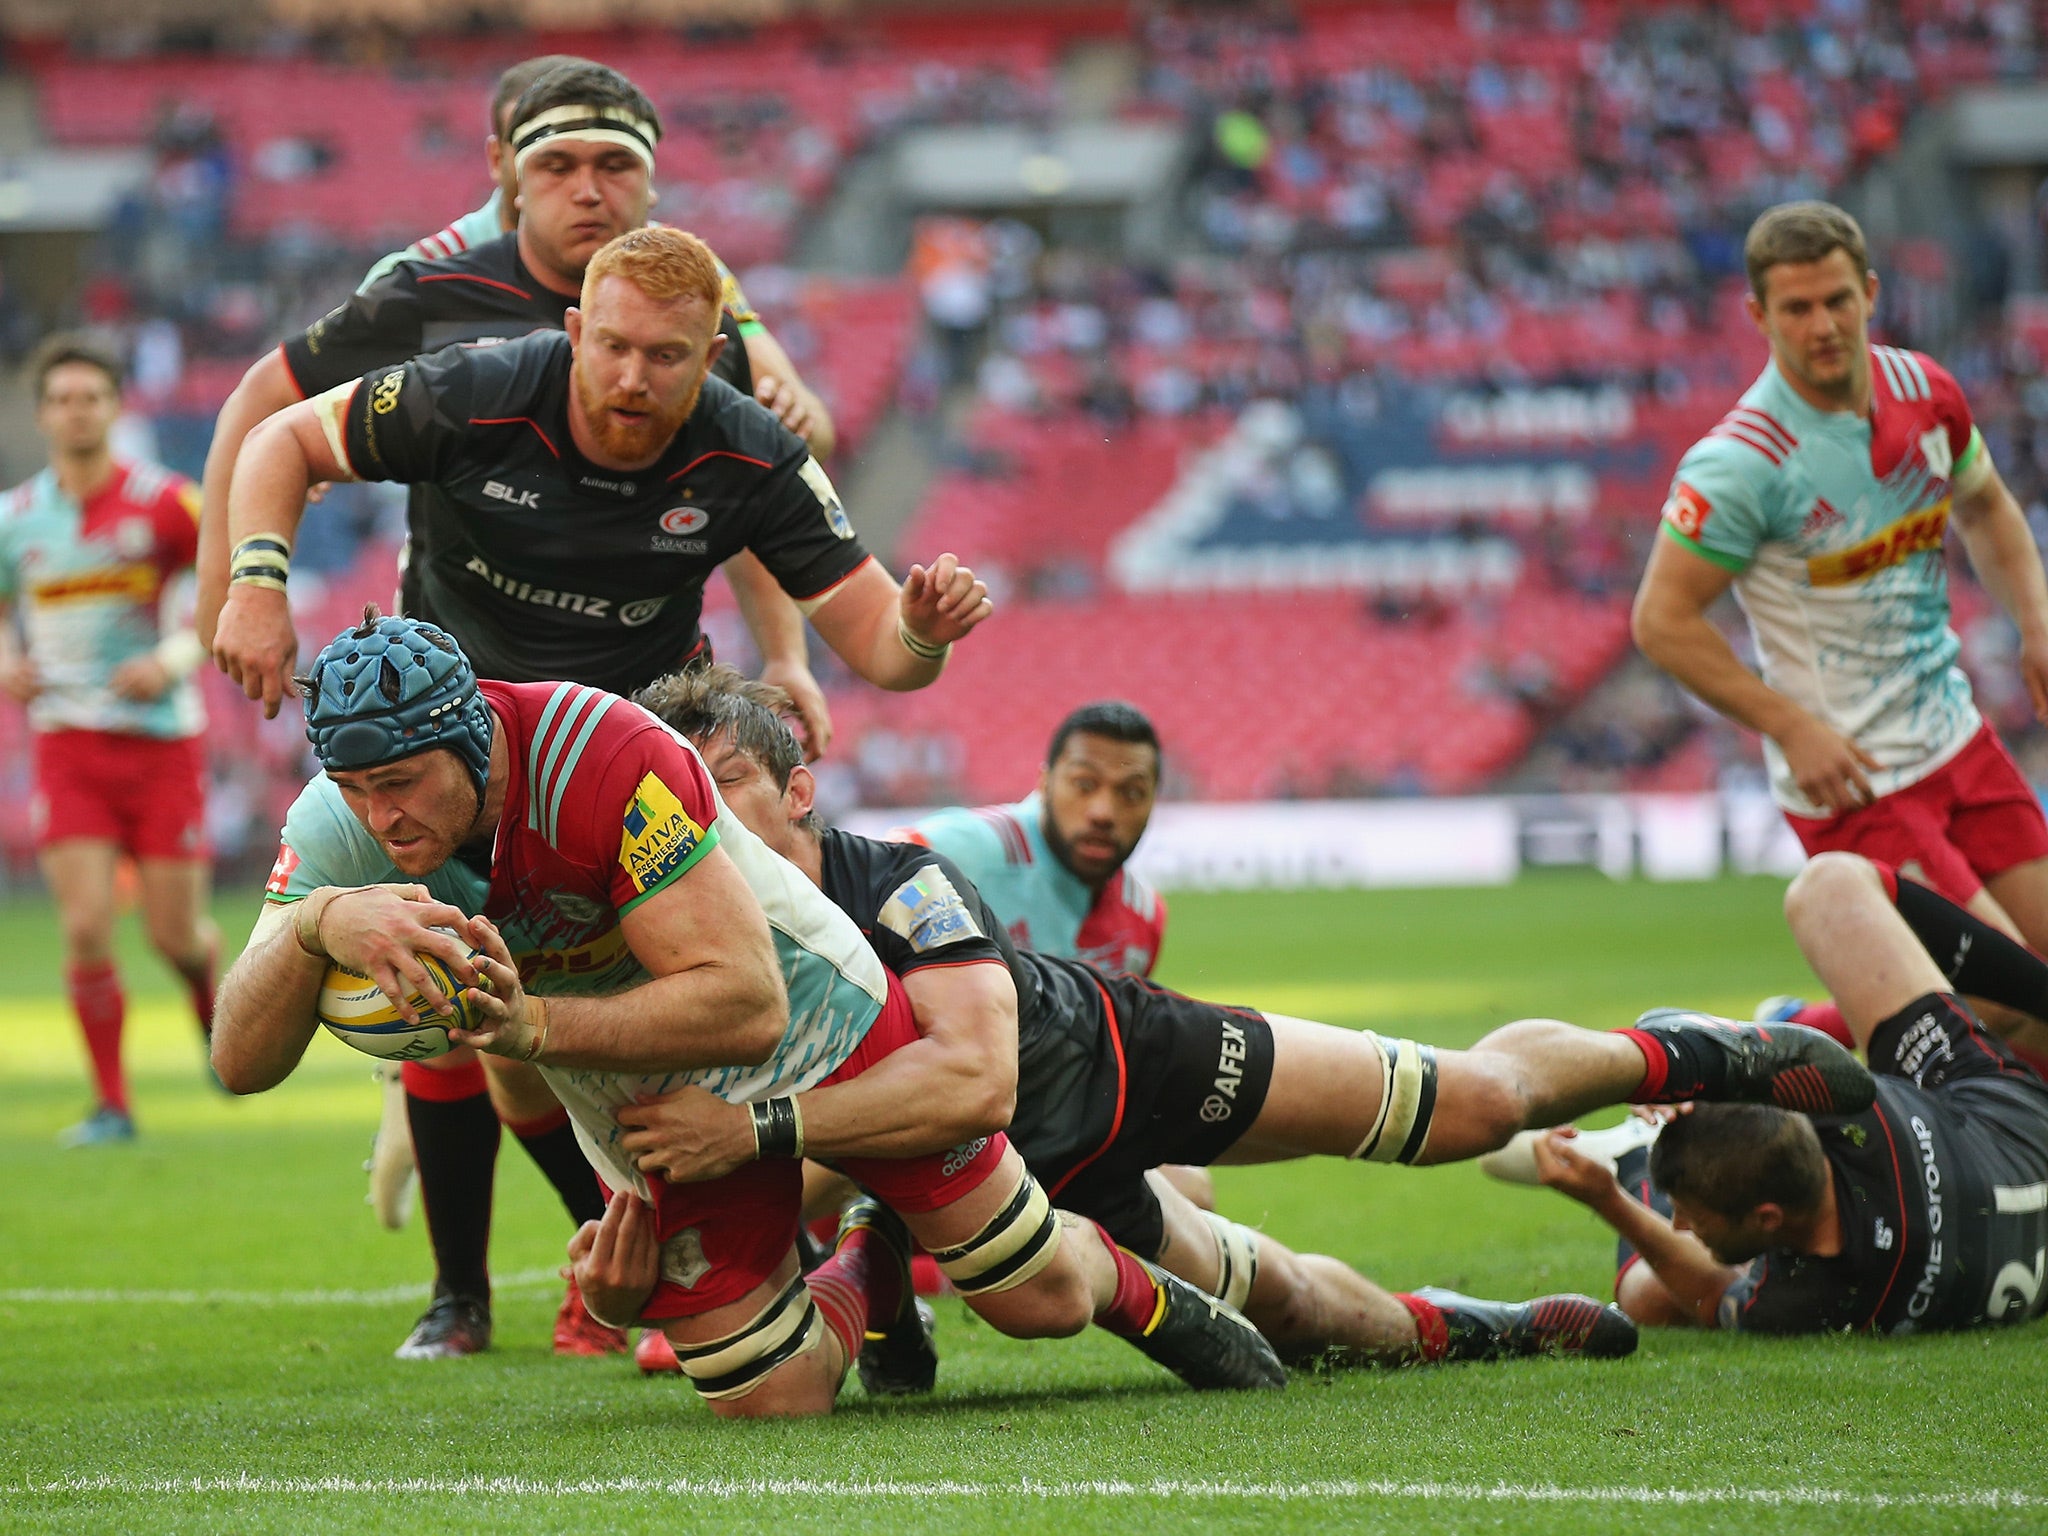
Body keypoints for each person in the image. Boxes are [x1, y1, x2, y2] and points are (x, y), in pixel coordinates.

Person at [624, 668, 1886, 1367]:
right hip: (1024, 1193)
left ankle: (1688, 1050)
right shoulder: (687, 950)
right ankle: (1475, 1331)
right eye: (681, 803)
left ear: (798, 787)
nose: (708, 829)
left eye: (722, 787)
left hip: (1121, 1059)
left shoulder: (902, 874)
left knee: (1469, 1110)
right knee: (1298, 1309)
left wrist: (782, 1172)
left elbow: (967, 1085)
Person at [221, 222, 987, 1360]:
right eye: (613, 347)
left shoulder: (747, 450)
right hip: (447, 757)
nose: (634, 376)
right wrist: (255, 584)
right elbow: (280, 431)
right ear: (574, 330)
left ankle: (805, 1229)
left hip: (624, 769)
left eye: (667, 356)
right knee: (480, 1022)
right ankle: (529, 1276)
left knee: (644, 1013)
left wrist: (919, 640)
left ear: (710, 353)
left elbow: (879, 643)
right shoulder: (478, 392)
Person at [215, 612, 1285, 1415]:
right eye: (355, 790)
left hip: (813, 1022)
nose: (379, 815)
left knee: (1031, 1299)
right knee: (770, 1396)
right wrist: (316, 926)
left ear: (474, 740)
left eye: (400, 783)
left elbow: (742, 1005)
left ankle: (1135, 1290)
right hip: (630, 1086)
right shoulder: (341, 826)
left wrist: (527, 1028)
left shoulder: (600, 757)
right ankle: (870, 1251)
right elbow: (239, 1060)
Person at [199, 60, 836, 752]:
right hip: (470, 672)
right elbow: (264, 410)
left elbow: (753, 477)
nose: (585, 190)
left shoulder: (677, 293)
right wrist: (235, 593)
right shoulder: (430, 286)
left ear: (649, 181)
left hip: (644, 683)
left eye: (612, 164)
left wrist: (786, 655)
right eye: (555, 162)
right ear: (507, 166)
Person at [1632, 201, 2048, 1037]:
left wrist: (2037, 627)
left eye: (1836, 301)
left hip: (1957, 740)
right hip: (1854, 774)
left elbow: (1990, 508)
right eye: (1796, 308)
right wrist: (1792, 728)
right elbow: (1661, 621)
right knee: (2004, 999)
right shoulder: (1743, 462)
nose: (1822, 325)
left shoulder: (1925, 392)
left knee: (2038, 989)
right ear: (1759, 315)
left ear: (1869, 292)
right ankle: (1780, 1038)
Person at [1529, 852, 2048, 1335]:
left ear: (1769, 1218)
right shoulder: (1854, 1107)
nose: (1679, 1223)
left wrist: (1608, 1198)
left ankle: (1636, 1153)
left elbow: (1708, 1288)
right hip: (2006, 1116)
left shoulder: (1811, 1297)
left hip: (1998, 1142)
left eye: (1692, 1216)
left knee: (1651, 1295)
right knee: (1830, 885)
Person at [0, 336, 218, 1146]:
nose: (75, 410)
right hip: (67, 743)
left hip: (162, 744)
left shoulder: (166, 503)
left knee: (174, 936)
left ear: (116, 406)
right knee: (86, 924)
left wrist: (166, 663)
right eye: (61, 398)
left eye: (90, 396)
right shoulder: (16, 519)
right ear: (43, 413)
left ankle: (208, 997)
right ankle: (113, 1105)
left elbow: (223, 598)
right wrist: (8, 662)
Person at [897, 701, 1167, 977]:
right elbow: (870, 874)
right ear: (1044, 783)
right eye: (1084, 784)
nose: (1103, 813)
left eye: (1131, 793)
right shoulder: (967, 851)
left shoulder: (1143, 920)